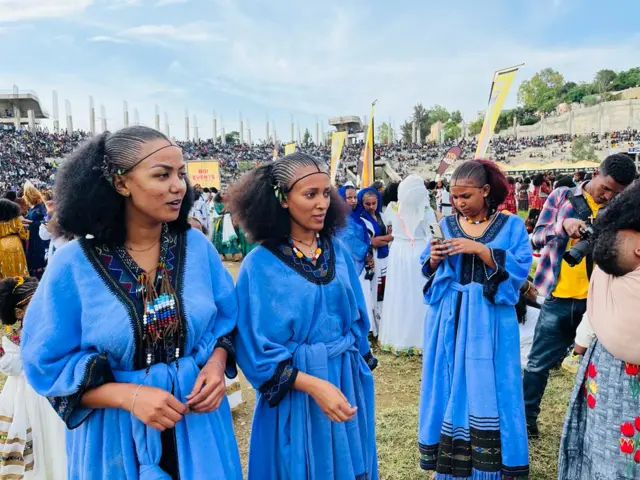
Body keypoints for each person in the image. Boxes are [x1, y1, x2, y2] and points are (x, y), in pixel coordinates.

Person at [21, 126, 242, 479]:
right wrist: (129, 395)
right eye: (162, 174)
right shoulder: (73, 264)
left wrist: (216, 366)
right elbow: (45, 366)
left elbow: (226, 324)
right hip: (115, 439)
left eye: (181, 174)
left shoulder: (198, 248)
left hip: (198, 427)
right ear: (121, 183)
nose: (178, 186)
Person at [228, 152, 378, 480]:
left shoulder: (336, 250)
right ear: (282, 199)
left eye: (326, 193)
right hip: (296, 393)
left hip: (344, 379)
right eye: (310, 195)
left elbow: (355, 318)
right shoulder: (260, 265)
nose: (322, 203)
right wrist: (312, 384)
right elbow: (254, 348)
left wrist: (356, 366)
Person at [418, 160, 532, 479]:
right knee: (447, 381)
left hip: (491, 320)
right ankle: (448, 464)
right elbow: (427, 270)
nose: (459, 203)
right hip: (450, 317)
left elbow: (521, 268)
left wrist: (481, 250)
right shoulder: (447, 224)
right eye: (454, 197)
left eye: (465, 196)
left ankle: (492, 466)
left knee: (496, 384)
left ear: (485, 191)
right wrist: (433, 258)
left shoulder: (511, 226)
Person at [523, 154, 637, 438]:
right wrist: (564, 228)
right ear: (596, 174)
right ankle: (526, 420)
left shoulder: (625, 208)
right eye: (606, 189)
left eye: (618, 193)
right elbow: (536, 237)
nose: (609, 196)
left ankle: (594, 429)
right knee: (538, 365)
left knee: (597, 370)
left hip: (602, 303)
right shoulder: (562, 196)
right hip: (559, 296)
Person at [557, 183, 640, 479]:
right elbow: (595, 312)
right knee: (606, 445)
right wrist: (579, 347)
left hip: (612, 369)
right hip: (609, 371)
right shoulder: (612, 264)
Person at [0, 276, 67, 478]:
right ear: (19, 313)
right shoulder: (13, 339)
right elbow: (13, 367)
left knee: (56, 441)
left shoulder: (53, 328)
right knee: (40, 441)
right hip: (29, 397)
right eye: (34, 305)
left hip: (54, 391)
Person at [379, 174, 436, 355]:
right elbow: (433, 234)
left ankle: (399, 336)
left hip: (398, 252)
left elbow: (389, 227)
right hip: (419, 250)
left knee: (400, 292)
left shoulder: (391, 209)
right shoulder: (427, 211)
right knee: (417, 292)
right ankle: (419, 338)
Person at [356, 187, 393, 337]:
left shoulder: (382, 216)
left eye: (374, 203)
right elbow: (373, 242)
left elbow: (382, 239)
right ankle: (375, 326)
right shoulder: (362, 220)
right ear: (362, 204)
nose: (371, 207)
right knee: (375, 291)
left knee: (384, 289)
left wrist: (381, 240)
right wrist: (388, 238)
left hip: (385, 259)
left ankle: (384, 322)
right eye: (368, 204)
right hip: (374, 260)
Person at [336, 186, 374, 318]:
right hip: (345, 265)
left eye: (355, 198)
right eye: (349, 198)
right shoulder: (337, 220)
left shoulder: (359, 218)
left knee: (363, 293)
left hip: (362, 265)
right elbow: (345, 243)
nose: (353, 201)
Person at [22, 182, 48, 278]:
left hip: (39, 237)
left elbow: (44, 222)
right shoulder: (32, 207)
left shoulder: (41, 206)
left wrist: (30, 221)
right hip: (32, 236)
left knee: (38, 257)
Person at [0, 199, 29, 278]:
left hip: (2, 245)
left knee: (5, 266)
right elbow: (22, 234)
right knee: (19, 265)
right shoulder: (15, 219)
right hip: (16, 243)